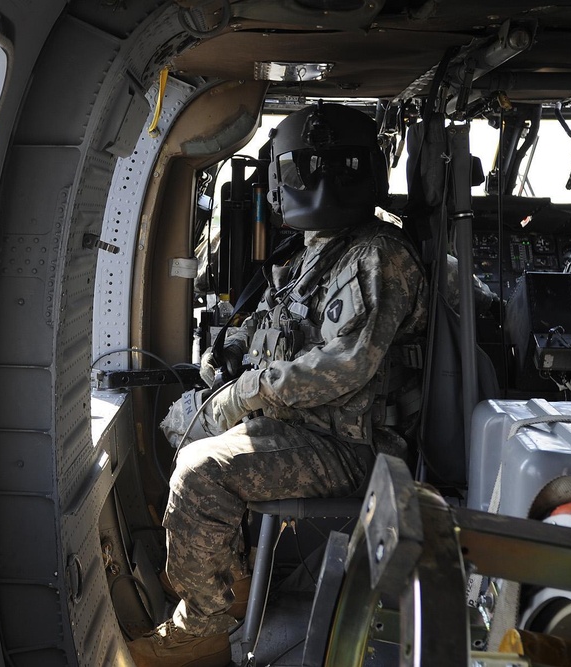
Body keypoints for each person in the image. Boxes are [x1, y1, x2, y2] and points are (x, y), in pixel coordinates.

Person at [126, 102, 429, 667]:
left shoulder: (378, 256)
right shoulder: (318, 251)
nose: (290, 186)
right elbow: (279, 325)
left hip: (351, 444)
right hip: (304, 424)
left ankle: (208, 622)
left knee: (201, 470)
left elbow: (345, 366)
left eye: (291, 173)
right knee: (181, 420)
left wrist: (247, 392)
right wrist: (234, 353)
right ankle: (222, 579)